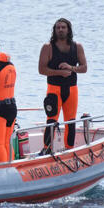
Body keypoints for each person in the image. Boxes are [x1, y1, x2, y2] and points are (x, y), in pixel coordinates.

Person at [38, 18, 87, 151]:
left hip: (72, 89)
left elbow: (84, 68)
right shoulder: (48, 47)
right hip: (54, 89)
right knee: (51, 120)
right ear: (54, 30)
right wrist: (60, 73)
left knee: (70, 121)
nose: (60, 30)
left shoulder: (77, 47)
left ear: (68, 29)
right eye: (58, 27)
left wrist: (71, 68)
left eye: (63, 27)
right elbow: (41, 70)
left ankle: (69, 149)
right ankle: (47, 148)